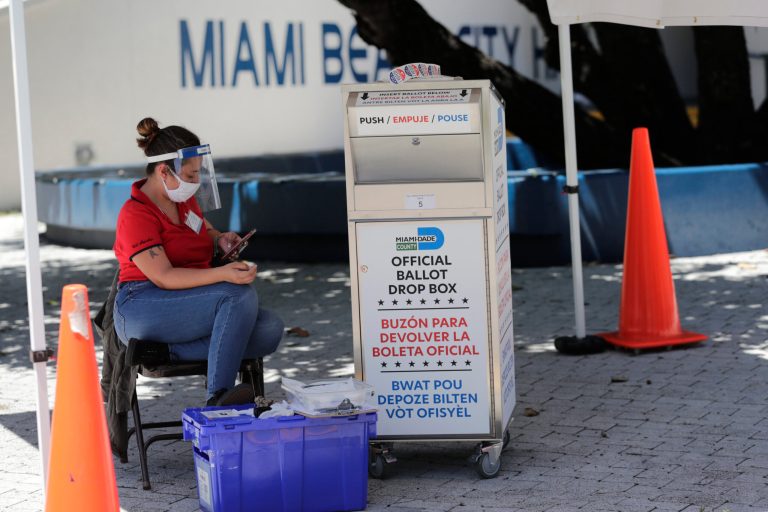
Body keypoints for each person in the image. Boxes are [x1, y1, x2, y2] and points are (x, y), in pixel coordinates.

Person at [112, 117, 284, 405]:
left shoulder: (183, 201)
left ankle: (166, 351)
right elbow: (164, 276)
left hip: (188, 302)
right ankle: (219, 397)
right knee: (237, 296)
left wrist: (220, 240)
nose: (195, 182)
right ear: (164, 171)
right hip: (141, 304)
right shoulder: (135, 214)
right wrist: (224, 275)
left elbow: (203, 230)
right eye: (191, 175)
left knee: (269, 328)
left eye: (197, 175)